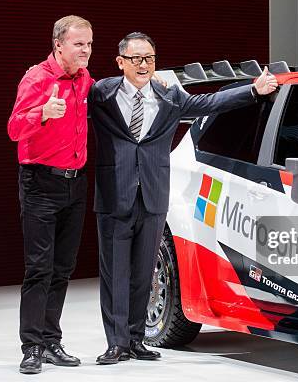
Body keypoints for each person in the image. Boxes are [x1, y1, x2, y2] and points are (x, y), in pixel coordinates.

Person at [88, 32, 278, 365]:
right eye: (136, 58)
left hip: (154, 195)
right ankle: (116, 343)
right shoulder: (102, 93)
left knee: (143, 274)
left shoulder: (169, 95)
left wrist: (252, 90)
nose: (144, 64)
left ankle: (136, 339)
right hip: (114, 195)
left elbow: (209, 103)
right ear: (121, 62)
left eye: (149, 57)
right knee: (115, 274)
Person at [7, 15, 94, 374]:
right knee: (39, 269)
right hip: (41, 183)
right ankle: (31, 347)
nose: (86, 51)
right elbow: (13, 129)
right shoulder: (37, 78)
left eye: (89, 44)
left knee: (63, 268)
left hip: (75, 183)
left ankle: (51, 340)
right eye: (79, 44)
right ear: (59, 44)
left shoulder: (85, 80)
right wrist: (41, 113)